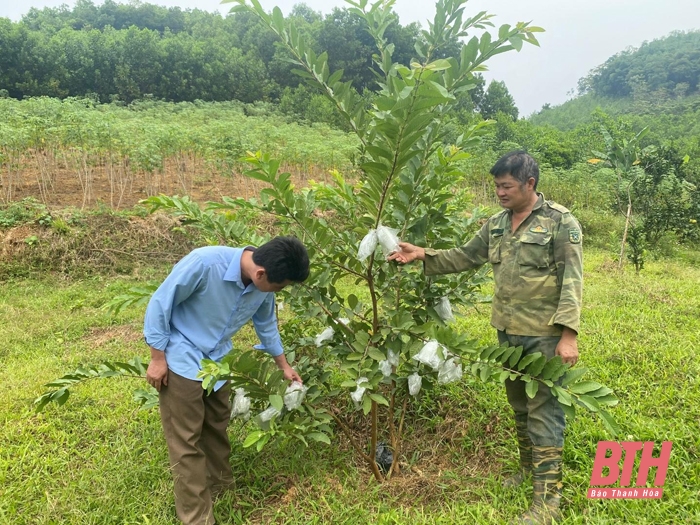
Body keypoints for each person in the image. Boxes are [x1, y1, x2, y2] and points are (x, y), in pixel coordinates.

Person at [389, 151, 582, 525]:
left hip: (544, 336)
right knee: (519, 407)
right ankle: (527, 470)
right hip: (507, 332)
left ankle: (548, 503)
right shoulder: (495, 224)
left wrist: (568, 336)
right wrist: (422, 254)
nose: (500, 193)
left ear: (530, 184)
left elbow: (573, 281)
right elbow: (464, 257)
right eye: (496, 186)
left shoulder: (560, 222)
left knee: (545, 413)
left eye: (506, 186)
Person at [143, 236, 309, 525]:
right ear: (261, 274)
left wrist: (283, 365)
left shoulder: (261, 284)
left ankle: (220, 487)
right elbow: (160, 304)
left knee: (217, 424)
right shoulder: (204, 263)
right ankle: (196, 517)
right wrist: (158, 358)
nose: (277, 292)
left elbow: (266, 324)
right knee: (186, 441)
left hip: (218, 362)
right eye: (279, 287)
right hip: (181, 357)